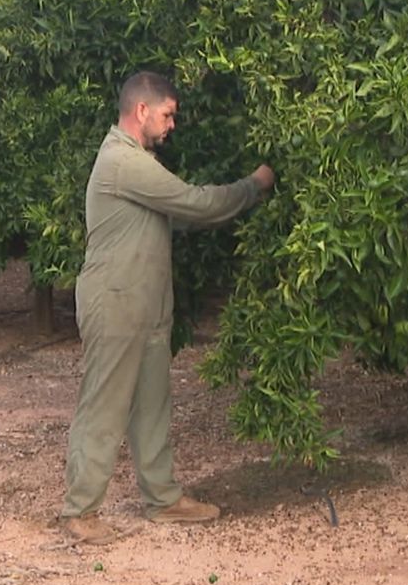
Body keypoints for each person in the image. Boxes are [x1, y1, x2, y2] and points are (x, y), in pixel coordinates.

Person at [60, 70, 275, 544]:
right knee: (105, 404)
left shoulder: (136, 162)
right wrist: (254, 185)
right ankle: (80, 511)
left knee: (152, 404)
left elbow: (175, 217)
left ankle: (163, 498)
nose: (172, 124)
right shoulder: (123, 161)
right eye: (167, 114)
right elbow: (193, 204)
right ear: (141, 111)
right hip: (115, 302)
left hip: (148, 303)